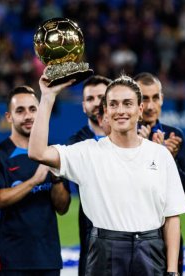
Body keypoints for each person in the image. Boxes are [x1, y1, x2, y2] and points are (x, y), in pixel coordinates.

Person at [28, 73, 185, 276]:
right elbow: (37, 152)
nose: (120, 110)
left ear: (140, 110)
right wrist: (48, 96)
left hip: (151, 251)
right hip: (104, 252)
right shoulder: (87, 152)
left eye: (127, 103)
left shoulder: (161, 154)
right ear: (105, 111)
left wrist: (173, 271)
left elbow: (172, 216)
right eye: (113, 104)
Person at [0, 85, 71, 275]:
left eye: (33, 109)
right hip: (11, 259)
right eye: (20, 110)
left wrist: (57, 180)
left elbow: (62, 207)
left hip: (47, 258)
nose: (28, 116)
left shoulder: (53, 152)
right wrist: (34, 181)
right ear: (9, 117)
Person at [134, 72, 185, 275]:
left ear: (162, 99)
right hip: (130, 236)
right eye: (144, 99)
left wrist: (171, 159)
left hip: (168, 235)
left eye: (155, 98)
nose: (150, 106)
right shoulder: (123, 136)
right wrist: (146, 152)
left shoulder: (174, 135)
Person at [66, 75, 111, 276]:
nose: (96, 103)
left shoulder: (132, 136)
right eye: (90, 99)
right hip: (92, 235)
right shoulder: (76, 142)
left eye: (101, 97)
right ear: (83, 106)